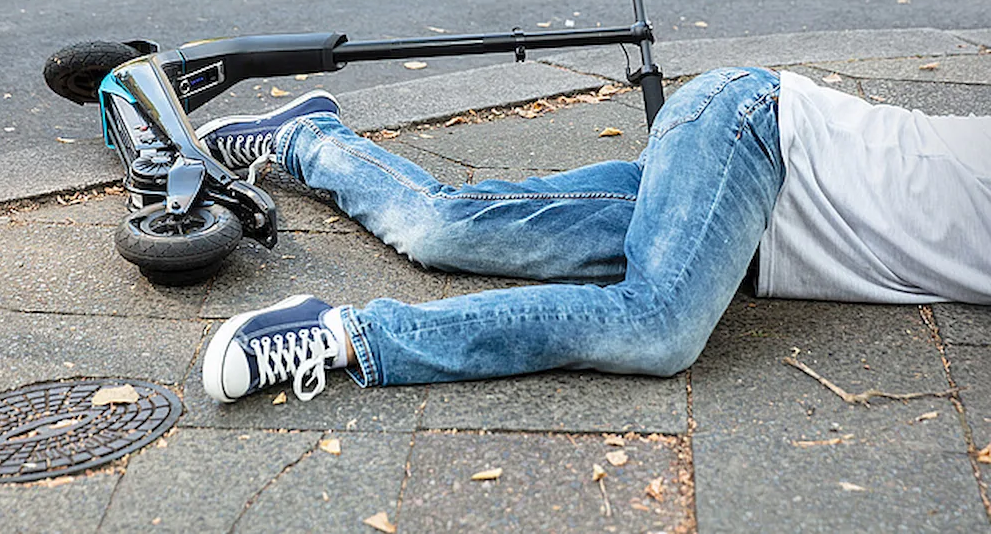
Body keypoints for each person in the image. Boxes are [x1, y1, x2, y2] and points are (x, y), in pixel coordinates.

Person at [193, 68, 991, 404]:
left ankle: (307, 137)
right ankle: (344, 337)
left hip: (747, 216)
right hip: (756, 136)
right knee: (659, 325)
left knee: (442, 227)